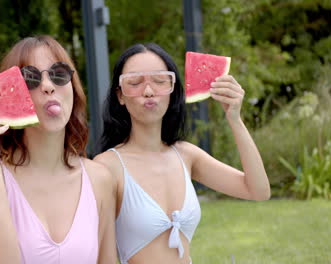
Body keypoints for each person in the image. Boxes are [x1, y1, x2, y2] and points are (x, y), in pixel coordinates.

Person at [94, 43, 271, 264]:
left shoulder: (186, 155)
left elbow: (258, 190)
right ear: (120, 95)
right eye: (135, 82)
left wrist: (234, 119)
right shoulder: (107, 166)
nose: (148, 91)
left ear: (172, 89)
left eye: (159, 81)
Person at [0, 35, 116, 264]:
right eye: (30, 79)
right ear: (10, 92)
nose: (48, 86)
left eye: (59, 74)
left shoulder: (99, 178)